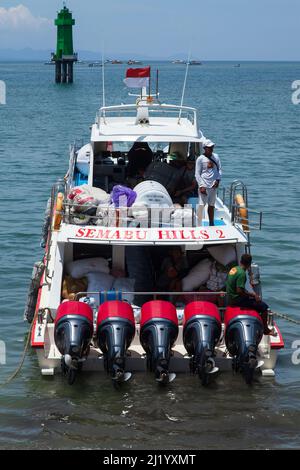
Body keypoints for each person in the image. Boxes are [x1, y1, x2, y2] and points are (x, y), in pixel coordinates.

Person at [226, 253, 276, 335]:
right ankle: (266, 330)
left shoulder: (234, 269)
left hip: (230, 298)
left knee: (255, 300)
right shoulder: (242, 273)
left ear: (241, 261)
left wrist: (251, 295)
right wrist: (253, 295)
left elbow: (236, 287)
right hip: (237, 300)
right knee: (264, 307)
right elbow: (239, 291)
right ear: (249, 264)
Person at [195, 139, 222, 226]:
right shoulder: (200, 159)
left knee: (211, 205)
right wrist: (201, 185)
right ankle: (198, 223)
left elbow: (219, 170)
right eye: (209, 147)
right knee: (201, 205)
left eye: (212, 147)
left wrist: (217, 180)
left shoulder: (216, 157)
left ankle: (211, 223)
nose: (211, 149)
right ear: (205, 148)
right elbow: (197, 174)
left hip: (213, 185)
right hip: (204, 185)